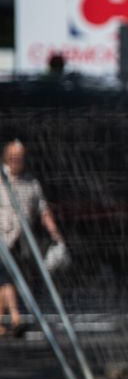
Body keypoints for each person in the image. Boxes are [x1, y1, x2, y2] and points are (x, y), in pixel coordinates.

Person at [0, 141, 63, 338]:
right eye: (12, 156)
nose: (15, 160)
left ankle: (2, 321)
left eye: (19, 157)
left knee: (6, 280)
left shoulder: (31, 182)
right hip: (2, 236)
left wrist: (54, 232)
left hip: (22, 240)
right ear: (5, 156)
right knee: (7, 277)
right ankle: (16, 317)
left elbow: (43, 209)